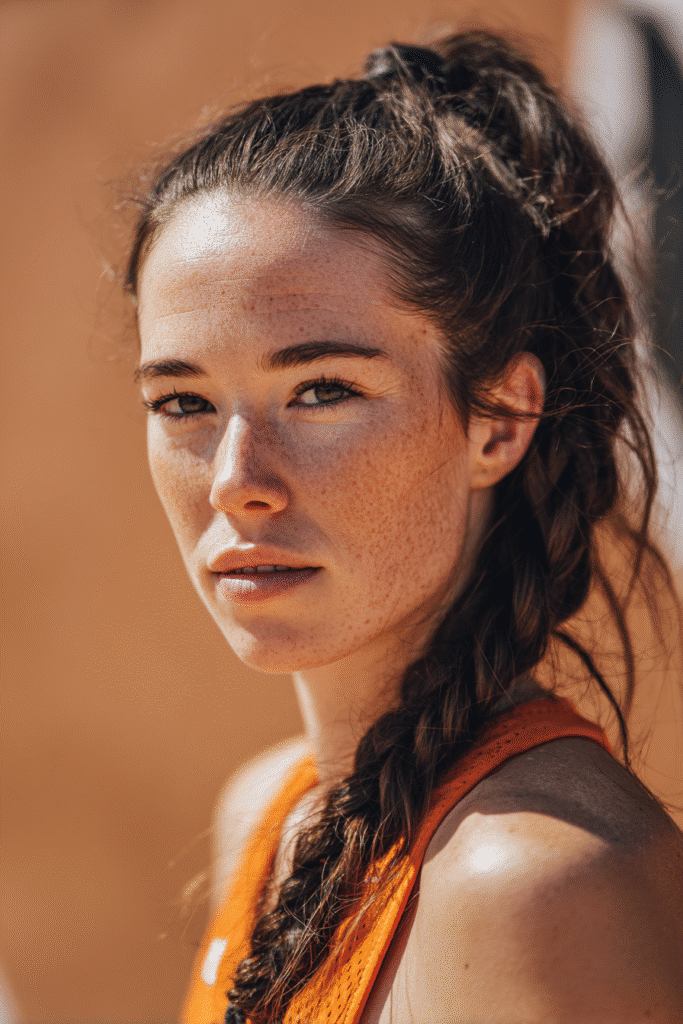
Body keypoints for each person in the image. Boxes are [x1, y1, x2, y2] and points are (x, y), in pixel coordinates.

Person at [124, 30, 683, 1023]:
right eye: (183, 403)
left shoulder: (532, 889)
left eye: (322, 390)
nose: (236, 483)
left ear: (499, 418)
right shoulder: (270, 813)